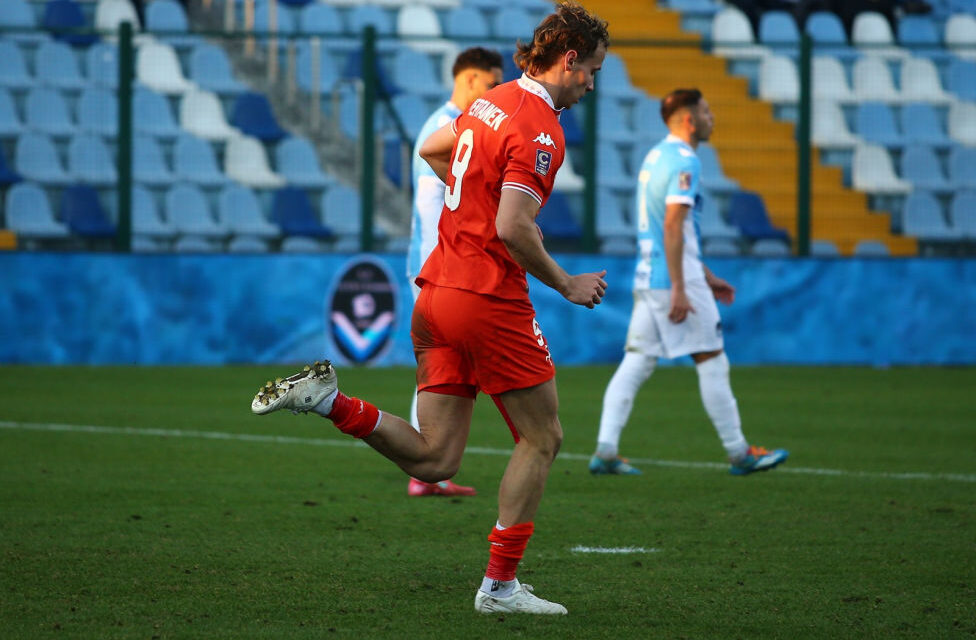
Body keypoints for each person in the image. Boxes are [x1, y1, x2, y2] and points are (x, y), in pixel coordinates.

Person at [251, 1, 610, 615]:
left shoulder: (488, 100)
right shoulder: (541, 128)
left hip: (436, 292)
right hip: (486, 299)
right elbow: (516, 227)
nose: (592, 85)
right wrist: (565, 283)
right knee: (542, 436)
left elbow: (434, 149)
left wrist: (468, 197)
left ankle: (331, 400)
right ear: (568, 59)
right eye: (591, 71)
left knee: (437, 456)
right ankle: (499, 588)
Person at [589, 88, 789, 477]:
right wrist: (682, 287)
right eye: (707, 110)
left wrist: (707, 276)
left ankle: (606, 450)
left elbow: (679, 231)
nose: (712, 117)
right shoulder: (685, 161)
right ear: (689, 119)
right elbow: (673, 224)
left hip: (651, 274)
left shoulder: (655, 156)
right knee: (712, 358)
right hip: (671, 279)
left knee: (637, 361)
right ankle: (739, 453)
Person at [404, 47, 504, 498]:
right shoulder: (443, 128)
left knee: (443, 368)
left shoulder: (460, 125)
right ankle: (425, 467)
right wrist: (436, 270)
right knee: (443, 370)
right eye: (490, 83)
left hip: (442, 268)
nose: (495, 92)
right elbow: (430, 205)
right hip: (438, 267)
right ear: (467, 80)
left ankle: (426, 469)